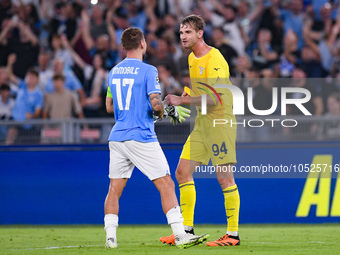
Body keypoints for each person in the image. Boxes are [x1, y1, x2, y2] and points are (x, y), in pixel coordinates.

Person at [103, 27, 208, 249]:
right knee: (166, 184)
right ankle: (180, 234)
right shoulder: (148, 70)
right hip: (141, 136)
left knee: (114, 188)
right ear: (143, 44)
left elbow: (109, 106)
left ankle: (110, 239)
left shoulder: (113, 72)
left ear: (123, 48)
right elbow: (156, 103)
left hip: (117, 136)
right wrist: (164, 112)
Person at [160, 14, 241, 247]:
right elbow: (202, 92)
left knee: (225, 178)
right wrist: (188, 95)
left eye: (187, 32)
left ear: (200, 34)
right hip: (202, 124)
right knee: (182, 172)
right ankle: (185, 231)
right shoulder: (193, 58)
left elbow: (215, 99)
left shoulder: (214, 59)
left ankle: (233, 235)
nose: (182, 36)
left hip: (219, 123)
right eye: (181, 32)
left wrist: (181, 101)